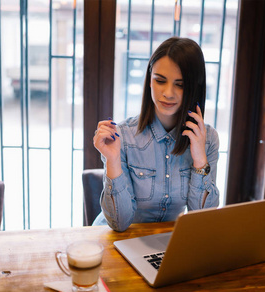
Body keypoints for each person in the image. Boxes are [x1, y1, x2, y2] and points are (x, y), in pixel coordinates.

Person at [92, 37, 219, 232]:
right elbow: (119, 223)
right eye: (160, 80)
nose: (168, 93)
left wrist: (200, 159)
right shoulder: (124, 136)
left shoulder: (208, 139)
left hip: (167, 242)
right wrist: (113, 160)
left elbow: (202, 221)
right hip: (120, 239)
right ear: (149, 81)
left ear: (195, 87)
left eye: (180, 84)